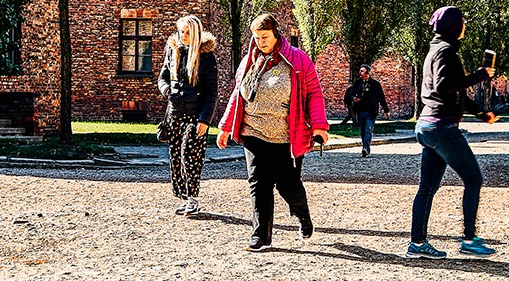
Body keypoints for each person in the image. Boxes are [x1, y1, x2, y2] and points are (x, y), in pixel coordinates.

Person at [217, 14, 329, 252]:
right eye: (256, 37)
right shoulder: (250, 60)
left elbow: (314, 95)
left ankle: (303, 215)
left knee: (289, 186)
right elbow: (238, 94)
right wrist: (226, 128)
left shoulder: (297, 60)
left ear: (277, 34)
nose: (260, 42)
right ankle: (261, 237)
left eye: (265, 37)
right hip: (253, 131)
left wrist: (319, 126)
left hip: (286, 136)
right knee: (259, 183)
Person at [407, 6, 496, 259]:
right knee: (474, 179)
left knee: (427, 188)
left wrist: (480, 112)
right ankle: (469, 239)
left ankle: (417, 243)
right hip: (442, 127)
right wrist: (477, 76)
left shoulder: (435, 50)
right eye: (463, 21)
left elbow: (452, 93)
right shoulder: (445, 52)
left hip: (427, 125)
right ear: (453, 26)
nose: (465, 25)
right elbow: (446, 86)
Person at [157, 14, 219, 216]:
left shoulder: (206, 57)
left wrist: (205, 120)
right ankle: (184, 197)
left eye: (188, 32)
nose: (184, 36)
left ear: (196, 33)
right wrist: (167, 90)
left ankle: (193, 198)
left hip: (195, 116)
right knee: (175, 157)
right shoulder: (172, 51)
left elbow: (212, 92)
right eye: (181, 32)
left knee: (190, 155)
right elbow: (163, 78)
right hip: (175, 113)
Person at [342, 64, 388, 157]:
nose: (360, 72)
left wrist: (386, 110)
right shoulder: (357, 83)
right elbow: (350, 94)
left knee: (368, 129)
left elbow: (381, 98)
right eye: (360, 71)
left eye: (362, 71)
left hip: (371, 111)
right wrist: (354, 98)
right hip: (360, 110)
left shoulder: (375, 84)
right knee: (363, 131)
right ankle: (365, 146)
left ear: (367, 73)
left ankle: (366, 148)